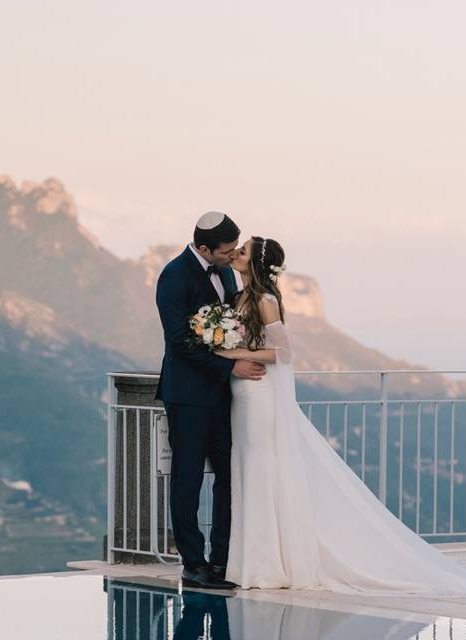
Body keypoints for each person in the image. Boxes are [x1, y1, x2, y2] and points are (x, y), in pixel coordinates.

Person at [216, 236, 466, 596]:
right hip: (244, 395)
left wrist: (230, 355)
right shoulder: (242, 295)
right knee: (251, 470)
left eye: (244, 251)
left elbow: (284, 354)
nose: (237, 255)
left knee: (263, 470)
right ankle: (253, 561)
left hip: (260, 393)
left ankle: (267, 565)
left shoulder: (265, 299)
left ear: (258, 264)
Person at [154, 212, 266, 590]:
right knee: (187, 480)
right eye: (226, 251)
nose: (232, 256)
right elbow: (180, 342)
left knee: (228, 476)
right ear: (204, 248)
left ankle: (222, 559)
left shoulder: (227, 272)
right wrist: (229, 370)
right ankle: (193, 564)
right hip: (187, 396)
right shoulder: (174, 276)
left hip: (222, 398)